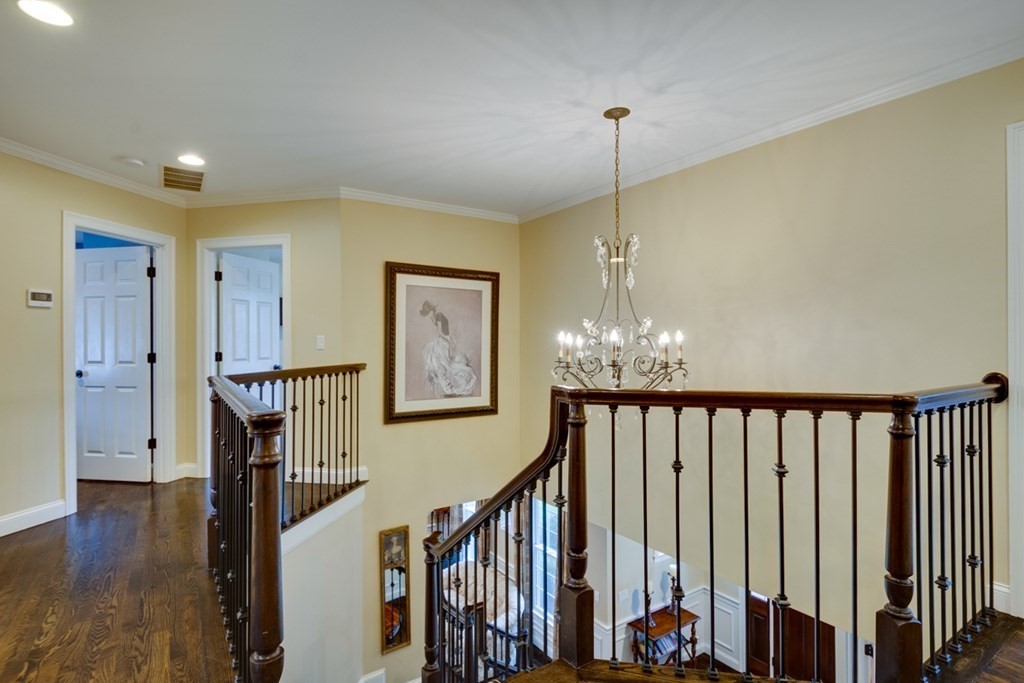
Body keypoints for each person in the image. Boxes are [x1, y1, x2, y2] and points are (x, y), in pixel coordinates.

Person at [420, 300, 478, 398]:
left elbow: (441, 331)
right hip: (442, 342)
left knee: (447, 364)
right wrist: (448, 339)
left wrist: (449, 339)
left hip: (443, 342)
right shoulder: (437, 316)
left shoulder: (436, 317)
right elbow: (440, 332)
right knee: (446, 365)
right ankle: (450, 388)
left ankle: (451, 387)